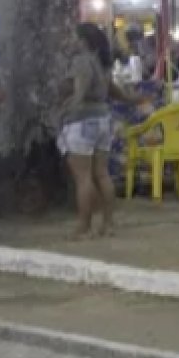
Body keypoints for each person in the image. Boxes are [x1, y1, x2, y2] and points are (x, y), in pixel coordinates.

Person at [60, 23, 141, 240]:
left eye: (73, 36)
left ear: (83, 40)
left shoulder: (81, 60)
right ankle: (108, 223)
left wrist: (68, 107)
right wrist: (132, 99)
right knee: (102, 174)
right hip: (104, 119)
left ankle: (84, 227)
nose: (70, 40)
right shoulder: (103, 62)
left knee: (83, 177)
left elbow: (81, 88)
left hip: (82, 120)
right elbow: (113, 90)